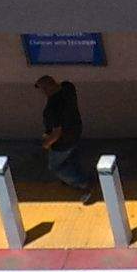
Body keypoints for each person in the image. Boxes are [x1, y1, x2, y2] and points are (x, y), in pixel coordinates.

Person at [36, 73, 96, 204]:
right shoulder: (68, 88)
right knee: (71, 158)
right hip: (76, 132)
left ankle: (84, 184)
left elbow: (56, 133)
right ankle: (76, 177)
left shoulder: (51, 108)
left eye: (43, 89)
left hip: (62, 142)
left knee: (56, 166)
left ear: (46, 89)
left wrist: (46, 143)